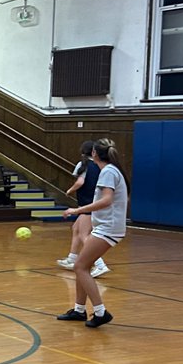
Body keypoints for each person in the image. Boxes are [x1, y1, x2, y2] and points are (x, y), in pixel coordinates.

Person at [56, 138, 127, 328]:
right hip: (106, 225)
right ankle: (79, 310)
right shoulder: (111, 170)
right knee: (83, 266)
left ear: (94, 153)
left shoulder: (108, 172)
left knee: (79, 266)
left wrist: (78, 210)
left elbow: (107, 200)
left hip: (108, 228)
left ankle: (100, 312)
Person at [56, 140, 110, 278]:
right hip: (93, 202)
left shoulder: (83, 165)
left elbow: (80, 182)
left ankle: (100, 265)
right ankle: (72, 258)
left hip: (87, 204)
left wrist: (69, 190)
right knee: (76, 229)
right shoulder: (101, 166)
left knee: (83, 235)